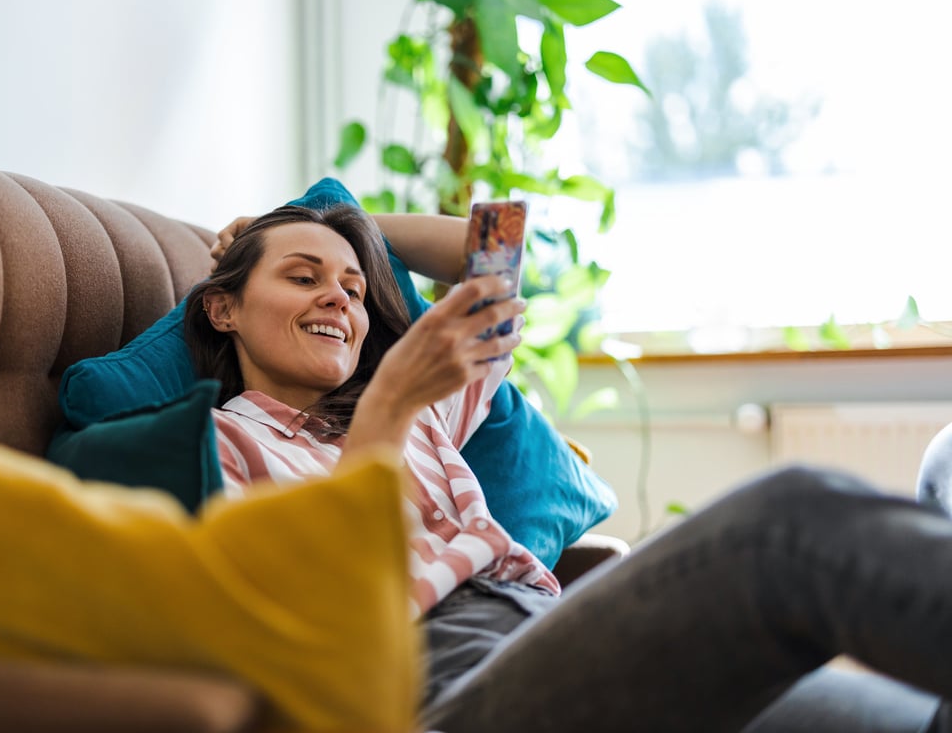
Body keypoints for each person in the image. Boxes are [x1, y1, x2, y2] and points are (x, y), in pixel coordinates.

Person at [184, 201, 952, 732]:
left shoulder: (420, 413)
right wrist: (385, 406)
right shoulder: (219, 445)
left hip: (566, 637)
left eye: (352, 290)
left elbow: (498, 246)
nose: (339, 302)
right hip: (443, 689)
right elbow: (312, 620)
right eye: (302, 277)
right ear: (224, 310)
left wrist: (335, 226)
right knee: (783, 526)